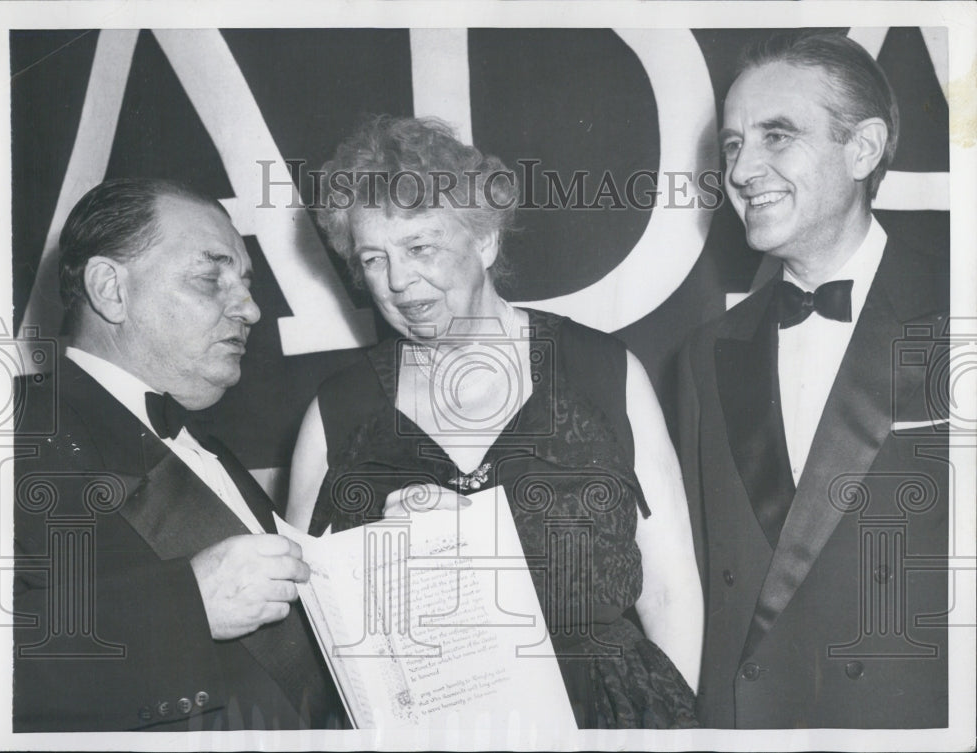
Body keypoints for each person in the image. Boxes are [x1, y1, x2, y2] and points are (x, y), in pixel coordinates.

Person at [287, 115, 703, 728]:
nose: (399, 281)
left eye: (420, 247)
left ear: (484, 242)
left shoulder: (602, 372)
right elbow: (311, 624)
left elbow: (669, 592)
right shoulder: (336, 413)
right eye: (374, 259)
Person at [678, 33, 949, 728]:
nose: (742, 169)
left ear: (862, 149)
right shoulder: (706, 356)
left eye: (777, 135)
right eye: (734, 145)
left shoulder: (959, 308)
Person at [12, 179, 344, 731]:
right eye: (211, 276)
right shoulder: (5, 429)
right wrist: (185, 608)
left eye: (245, 283)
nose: (253, 310)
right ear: (110, 290)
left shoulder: (208, 449)